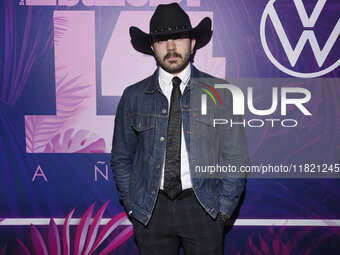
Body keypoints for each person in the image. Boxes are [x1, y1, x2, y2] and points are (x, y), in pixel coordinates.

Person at [111, 3, 249, 255]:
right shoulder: (133, 96)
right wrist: (133, 207)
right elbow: (121, 158)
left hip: (203, 208)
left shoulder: (220, 94)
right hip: (150, 211)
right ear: (152, 47)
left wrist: (223, 210)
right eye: (162, 40)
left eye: (179, 38)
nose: (171, 47)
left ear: (193, 43)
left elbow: (236, 158)